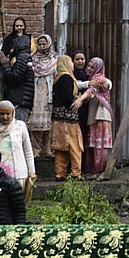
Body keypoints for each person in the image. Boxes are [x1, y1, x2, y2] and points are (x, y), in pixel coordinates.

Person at [0, 100, 35, 190]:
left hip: (17, 174)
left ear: (12, 113)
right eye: (2, 114)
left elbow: (28, 150)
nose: (5, 117)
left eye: (8, 114)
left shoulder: (20, 126)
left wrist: (31, 171)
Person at [75, 56, 114, 175]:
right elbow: (80, 85)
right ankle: (93, 169)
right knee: (93, 143)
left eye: (93, 67)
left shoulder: (99, 79)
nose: (89, 69)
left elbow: (91, 91)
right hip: (94, 113)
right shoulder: (91, 79)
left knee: (99, 144)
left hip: (100, 114)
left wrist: (81, 99)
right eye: (89, 66)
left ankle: (99, 169)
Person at [51, 53, 83, 181]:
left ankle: (60, 173)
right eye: (70, 62)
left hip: (57, 119)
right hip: (69, 120)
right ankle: (76, 173)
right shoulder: (67, 78)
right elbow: (68, 98)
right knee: (74, 146)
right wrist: (79, 99)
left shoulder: (57, 78)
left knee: (60, 147)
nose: (72, 65)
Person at [28, 34, 58, 158]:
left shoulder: (54, 59)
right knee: (36, 123)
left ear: (48, 44)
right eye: (39, 44)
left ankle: (47, 149)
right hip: (35, 94)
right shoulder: (32, 58)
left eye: (44, 44)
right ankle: (36, 149)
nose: (41, 46)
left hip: (49, 94)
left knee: (48, 124)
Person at [0, 47, 33, 123]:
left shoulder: (22, 58)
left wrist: (5, 64)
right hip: (12, 101)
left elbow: (15, 77)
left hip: (20, 103)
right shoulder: (13, 59)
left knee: (19, 127)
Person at [71, 50, 93, 173]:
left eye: (82, 59)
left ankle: (84, 167)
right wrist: (87, 84)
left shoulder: (89, 74)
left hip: (86, 110)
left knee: (84, 137)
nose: (80, 61)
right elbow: (75, 85)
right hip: (73, 110)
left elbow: (103, 81)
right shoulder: (70, 74)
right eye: (77, 59)